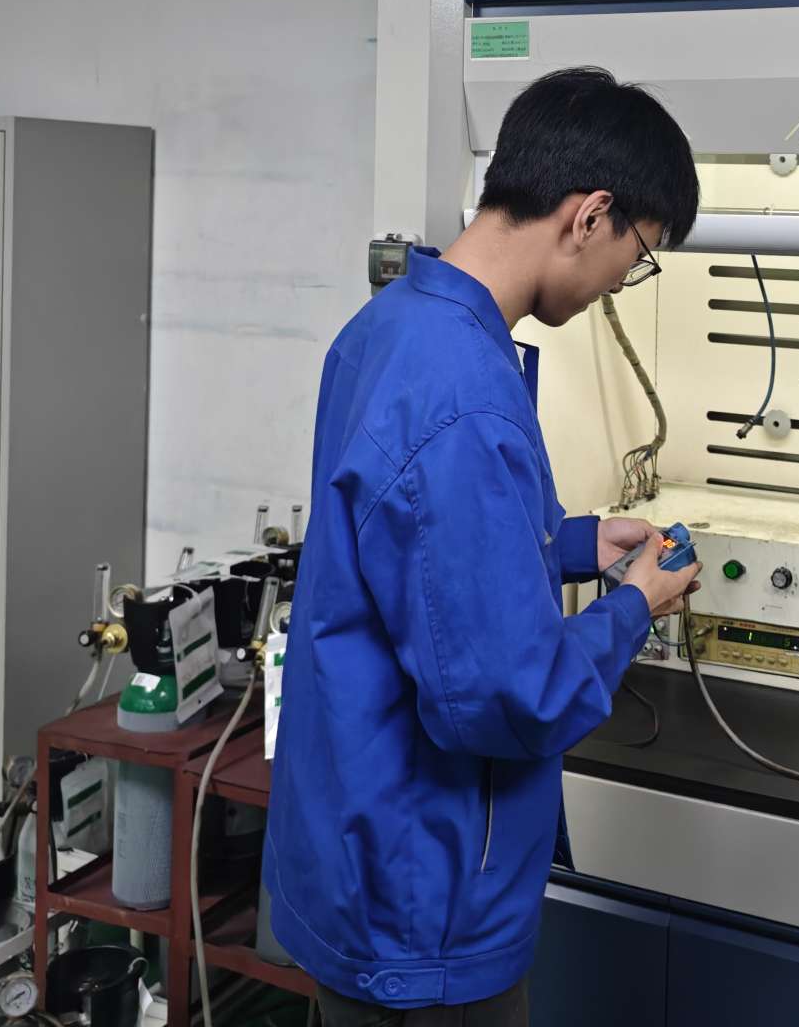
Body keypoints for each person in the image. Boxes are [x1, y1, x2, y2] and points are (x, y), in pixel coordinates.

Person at [266, 66, 704, 1026]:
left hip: (358, 843)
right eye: (638, 255)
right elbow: (509, 696)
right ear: (590, 215)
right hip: (424, 897)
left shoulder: (391, 327)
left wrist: (577, 544)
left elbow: (409, 549)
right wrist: (636, 604)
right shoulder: (464, 394)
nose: (620, 282)